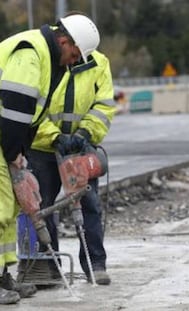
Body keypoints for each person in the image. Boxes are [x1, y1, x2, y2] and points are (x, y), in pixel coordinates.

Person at [0, 14, 100, 304]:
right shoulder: (31, 53)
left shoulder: (50, 59)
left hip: (4, 136)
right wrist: (13, 153)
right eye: (74, 53)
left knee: (10, 206)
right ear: (64, 40)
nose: (73, 60)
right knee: (1, 205)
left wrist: (18, 152)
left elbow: (32, 115)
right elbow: (16, 109)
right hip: (2, 134)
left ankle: (3, 274)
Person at [18, 31, 116, 286]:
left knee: (88, 204)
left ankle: (95, 264)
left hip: (80, 148)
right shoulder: (44, 61)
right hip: (42, 147)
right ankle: (47, 269)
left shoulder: (99, 63)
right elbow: (31, 109)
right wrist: (54, 137)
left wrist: (85, 132)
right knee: (40, 207)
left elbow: (104, 106)